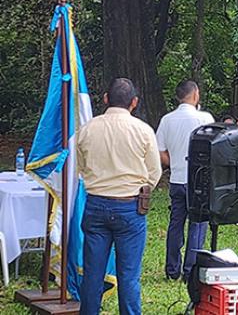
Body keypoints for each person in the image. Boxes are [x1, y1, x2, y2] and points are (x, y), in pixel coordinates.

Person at [76, 78, 162, 315]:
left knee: (93, 274)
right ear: (134, 102)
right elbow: (154, 172)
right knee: (129, 276)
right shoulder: (143, 130)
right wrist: (139, 190)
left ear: (105, 99)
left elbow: (80, 169)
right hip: (130, 207)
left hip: (95, 205)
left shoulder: (87, 129)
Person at [156, 80, 215, 281]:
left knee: (175, 224)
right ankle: (190, 270)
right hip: (198, 180)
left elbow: (160, 151)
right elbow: (213, 147)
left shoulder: (167, 119)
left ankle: (172, 269)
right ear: (195, 94)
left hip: (177, 178)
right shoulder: (204, 118)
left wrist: (174, 165)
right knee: (198, 224)